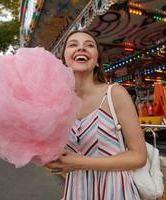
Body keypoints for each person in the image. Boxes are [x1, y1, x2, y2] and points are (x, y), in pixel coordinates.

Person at [45, 31, 147, 199]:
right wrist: (51, 162)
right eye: (73, 44)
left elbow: (138, 156)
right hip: (77, 190)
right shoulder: (58, 103)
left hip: (114, 189)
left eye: (89, 45)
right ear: (64, 60)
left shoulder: (114, 93)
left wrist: (78, 162)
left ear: (98, 60)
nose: (81, 48)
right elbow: (55, 153)